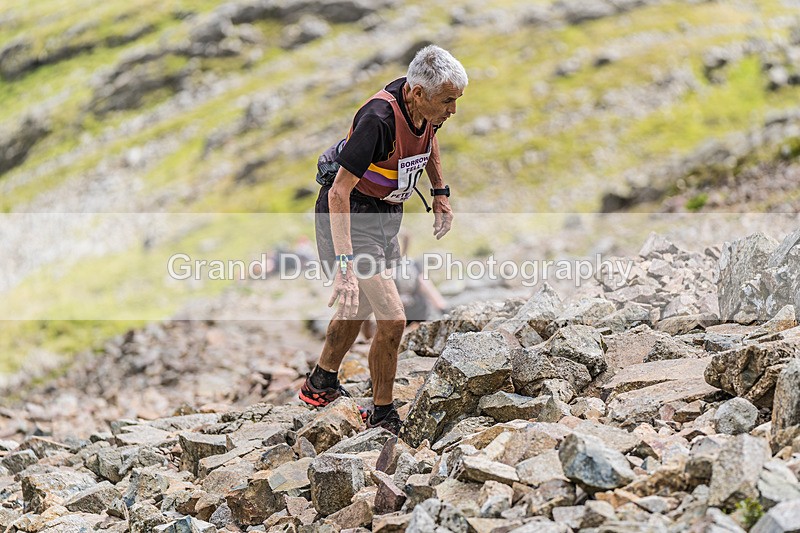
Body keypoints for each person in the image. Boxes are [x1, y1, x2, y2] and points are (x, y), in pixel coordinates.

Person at [298, 45, 467, 435]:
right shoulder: (378, 120)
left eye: (456, 100)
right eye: (448, 101)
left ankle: (320, 383)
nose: (453, 110)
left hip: (385, 213)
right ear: (418, 93)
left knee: (361, 304)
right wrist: (345, 267)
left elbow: (429, 138)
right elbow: (338, 192)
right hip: (352, 215)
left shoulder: (426, 107)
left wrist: (440, 192)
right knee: (392, 318)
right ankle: (383, 413)